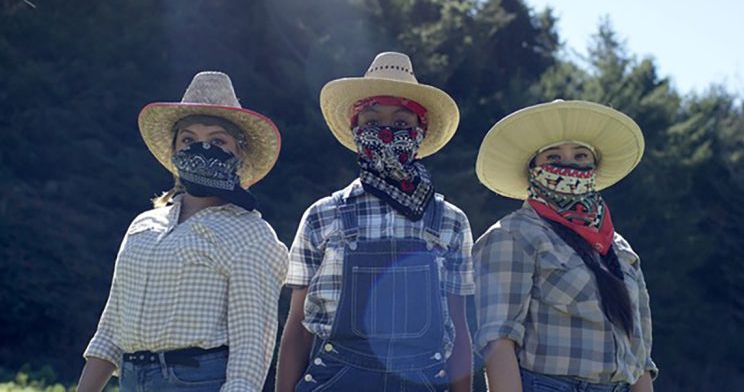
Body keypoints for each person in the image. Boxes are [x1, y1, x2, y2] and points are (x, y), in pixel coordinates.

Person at [77, 71, 289, 392]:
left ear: (239, 153)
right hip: (132, 379)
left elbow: (251, 349)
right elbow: (111, 328)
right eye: (188, 140)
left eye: (218, 141)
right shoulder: (143, 226)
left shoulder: (251, 235)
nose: (201, 149)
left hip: (196, 380)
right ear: (175, 150)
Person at [276, 52, 474, 392]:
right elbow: (298, 324)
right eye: (371, 121)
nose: (385, 132)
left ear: (419, 133)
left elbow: (459, 329)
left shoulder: (451, 222)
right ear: (356, 130)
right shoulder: (323, 215)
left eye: (400, 124)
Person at [472, 99, 657, 392]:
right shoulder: (512, 236)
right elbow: (498, 341)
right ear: (533, 170)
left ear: (594, 168)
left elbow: (640, 356)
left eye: (581, 155)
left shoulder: (620, 250)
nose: (569, 163)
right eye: (554, 156)